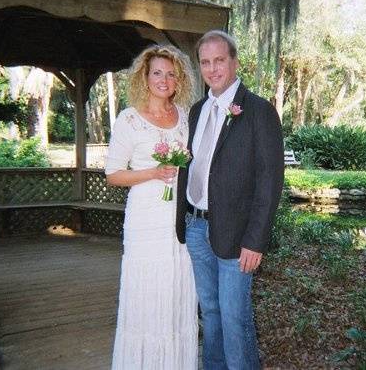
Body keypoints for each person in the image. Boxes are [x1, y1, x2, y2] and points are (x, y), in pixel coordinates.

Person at [175, 30, 284, 369]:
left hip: (237, 237)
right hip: (195, 226)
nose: (212, 68)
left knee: (235, 319)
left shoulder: (258, 111)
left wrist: (256, 240)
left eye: (219, 60)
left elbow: (270, 181)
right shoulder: (197, 111)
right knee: (211, 312)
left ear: (235, 62)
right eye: (205, 62)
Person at [105, 45, 198, 370]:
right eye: (157, 72)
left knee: (176, 294)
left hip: (179, 224)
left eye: (171, 74)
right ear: (145, 76)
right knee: (148, 298)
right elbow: (113, 174)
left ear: (179, 79)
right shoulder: (129, 120)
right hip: (145, 222)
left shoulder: (186, 118)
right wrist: (154, 173)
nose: (164, 79)